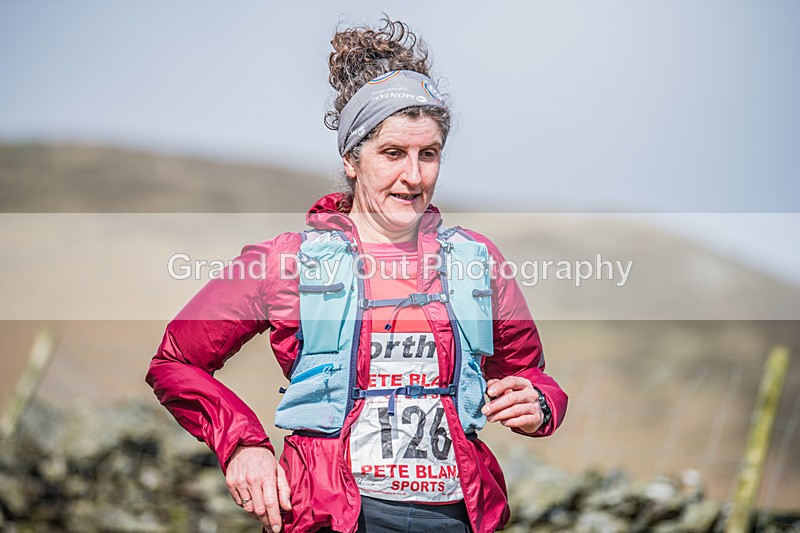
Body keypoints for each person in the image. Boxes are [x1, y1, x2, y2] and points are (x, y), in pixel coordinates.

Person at [146, 17, 567, 533]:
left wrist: (541, 402)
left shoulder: (476, 261)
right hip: (333, 515)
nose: (413, 176)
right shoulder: (286, 261)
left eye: (427, 154)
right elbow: (175, 362)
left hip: (459, 516)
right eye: (392, 153)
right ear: (351, 158)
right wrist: (243, 445)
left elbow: (529, 374)